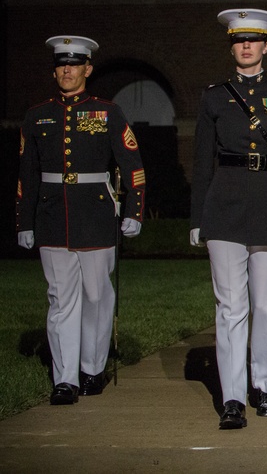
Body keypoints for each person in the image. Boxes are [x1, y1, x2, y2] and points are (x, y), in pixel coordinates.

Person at [189, 9, 267, 430]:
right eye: (238, 40)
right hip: (223, 206)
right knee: (230, 308)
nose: (245, 45)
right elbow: (201, 161)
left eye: (253, 39)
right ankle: (233, 397)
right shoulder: (213, 97)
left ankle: (265, 385)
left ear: (266, 45)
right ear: (232, 45)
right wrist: (196, 217)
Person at [16, 35, 146, 405]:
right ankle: (65, 379)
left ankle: (92, 368)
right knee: (60, 300)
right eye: (61, 65)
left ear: (88, 68)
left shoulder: (107, 112)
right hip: (53, 216)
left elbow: (133, 167)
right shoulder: (37, 115)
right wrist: (26, 222)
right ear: (55, 70)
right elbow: (26, 174)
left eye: (74, 64)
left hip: (95, 216)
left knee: (97, 295)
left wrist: (134, 211)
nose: (67, 70)